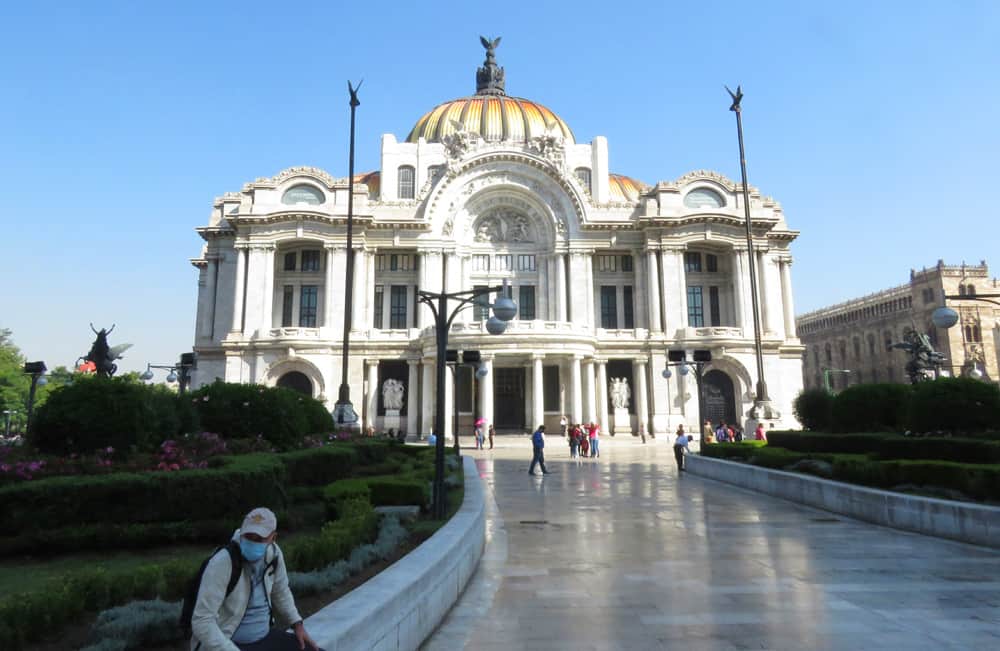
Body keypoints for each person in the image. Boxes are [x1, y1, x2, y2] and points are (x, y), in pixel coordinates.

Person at [190, 507, 322, 651]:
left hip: (263, 638)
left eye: (259, 539)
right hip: (228, 643)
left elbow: (281, 591)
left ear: (273, 538)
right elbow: (202, 620)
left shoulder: (274, 554)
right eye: (248, 536)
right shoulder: (222, 562)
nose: (252, 542)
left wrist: (297, 624)